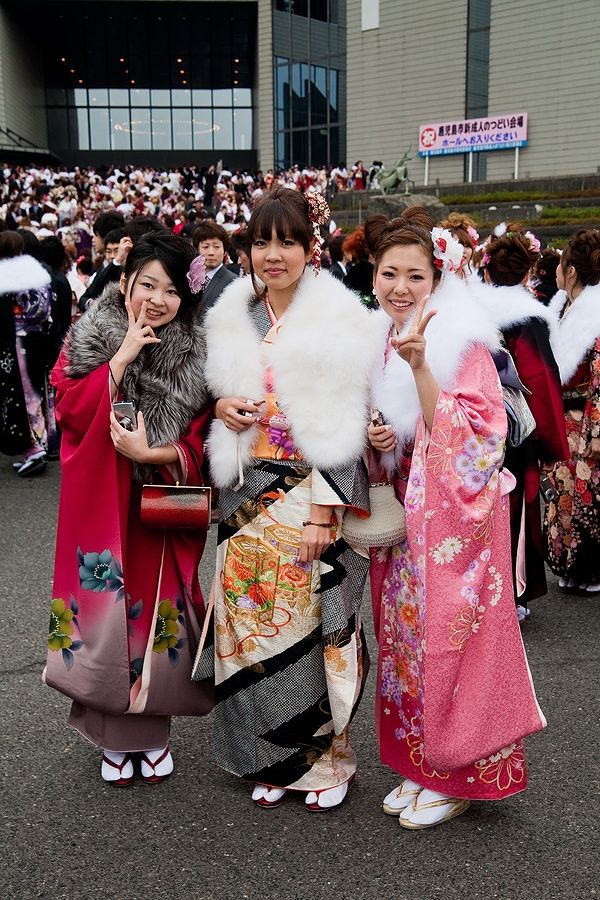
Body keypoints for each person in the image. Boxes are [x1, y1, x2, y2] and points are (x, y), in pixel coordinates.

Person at [193, 187, 376, 811]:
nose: (274, 255)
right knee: (250, 629)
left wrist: (330, 506)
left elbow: (352, 414)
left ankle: (328, 760)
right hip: (248, 489)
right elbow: (212, 395)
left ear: (309, 248)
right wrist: (221, 407)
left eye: (287, 241)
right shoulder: (233, 313)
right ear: (248, 249)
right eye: (262, 242)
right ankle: (267, 759)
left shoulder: (340, 315)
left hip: (308, 491)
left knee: (311, 628)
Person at [365, 209, 546, 829]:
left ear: (437, 277)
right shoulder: (380, 336)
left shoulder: (461, 342)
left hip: (453, 521)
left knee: (452, 640)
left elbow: (477, 434)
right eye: (389, 273)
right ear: (374, 275)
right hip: (412, 513)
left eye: (415, 276)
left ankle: (459, 772)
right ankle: (421, 764)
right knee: (409, 642)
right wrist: (383, 439)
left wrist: (419, 368)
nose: (400, 287)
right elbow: (399, 438)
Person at [44, 232, 213, 786]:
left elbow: (200, 437)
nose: (158, 300)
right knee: (105, 610)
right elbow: (67, 409)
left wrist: (153, 452)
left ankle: (152, 732)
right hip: (104, 500)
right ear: (124, 283)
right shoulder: (92, 336)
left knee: (156, 610)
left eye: (171, 291)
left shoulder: (196, 354)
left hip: (157, 503)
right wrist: (119, 359)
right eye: (147, 285)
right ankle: (113, 736)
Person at [474, 227, 568, 617]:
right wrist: (550, 440)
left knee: (482, 510)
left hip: (477, 427)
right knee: (515, 509)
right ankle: (512, 594)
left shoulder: (475, 313)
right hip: (516, 429)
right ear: (527, 274)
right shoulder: (529, 318)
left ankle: (482, 593)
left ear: (489, 273)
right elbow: (540, 381)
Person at [544, 228, 600, 593]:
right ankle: (568, 564)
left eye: (562, 264)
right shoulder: (564, 308)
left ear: (573, 271)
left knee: (584, 497)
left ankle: (589, 569)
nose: (556, 271)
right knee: (561, 496)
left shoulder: (592, 314)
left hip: (585, 418)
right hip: (561, 417)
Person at [0, 229, 53, 472]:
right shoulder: (35, 271)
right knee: (33, 392)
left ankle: (35, 447)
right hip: (34, 337)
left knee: (26, 394)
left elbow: (35, 309)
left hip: (18, 340)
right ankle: (39, 442)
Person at [191, 221, 236, 319]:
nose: (211, 252)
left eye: (216, 247)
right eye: (205, 247)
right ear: (196, 250)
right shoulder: (189, 277)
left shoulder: (233, 282)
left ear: (225, 252)